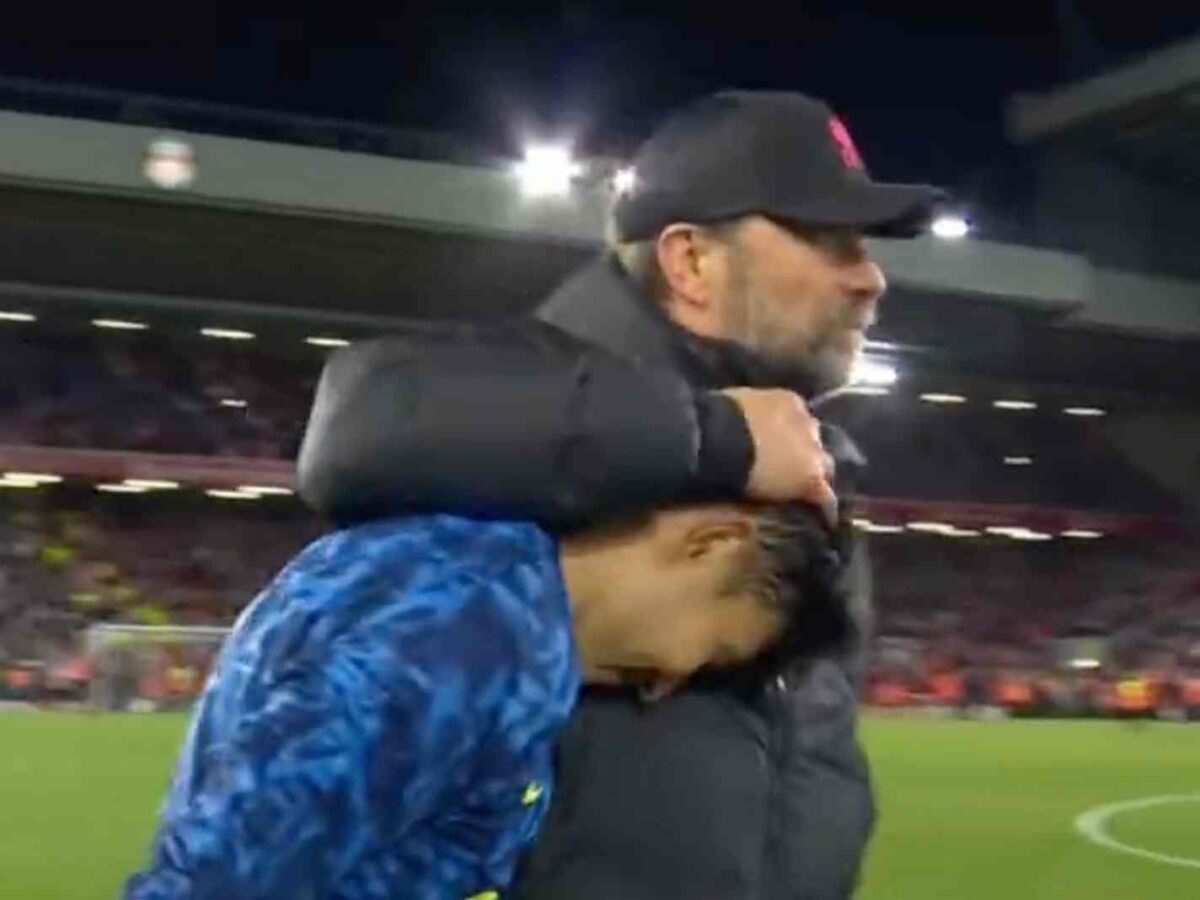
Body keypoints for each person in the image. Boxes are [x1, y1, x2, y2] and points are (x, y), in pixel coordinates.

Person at [297, 90, 945, 899]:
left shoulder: (820, 463)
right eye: (828, 240)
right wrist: (722, 441)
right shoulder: (529, 392)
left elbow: (813, 752)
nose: (870, 278)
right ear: (691, 262)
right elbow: (363, 422)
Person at [126, 489, 833, 899]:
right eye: (714, 652)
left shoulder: (467, 563)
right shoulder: (474, 639)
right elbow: (224, 874)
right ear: (713, 543)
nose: (668, 688)